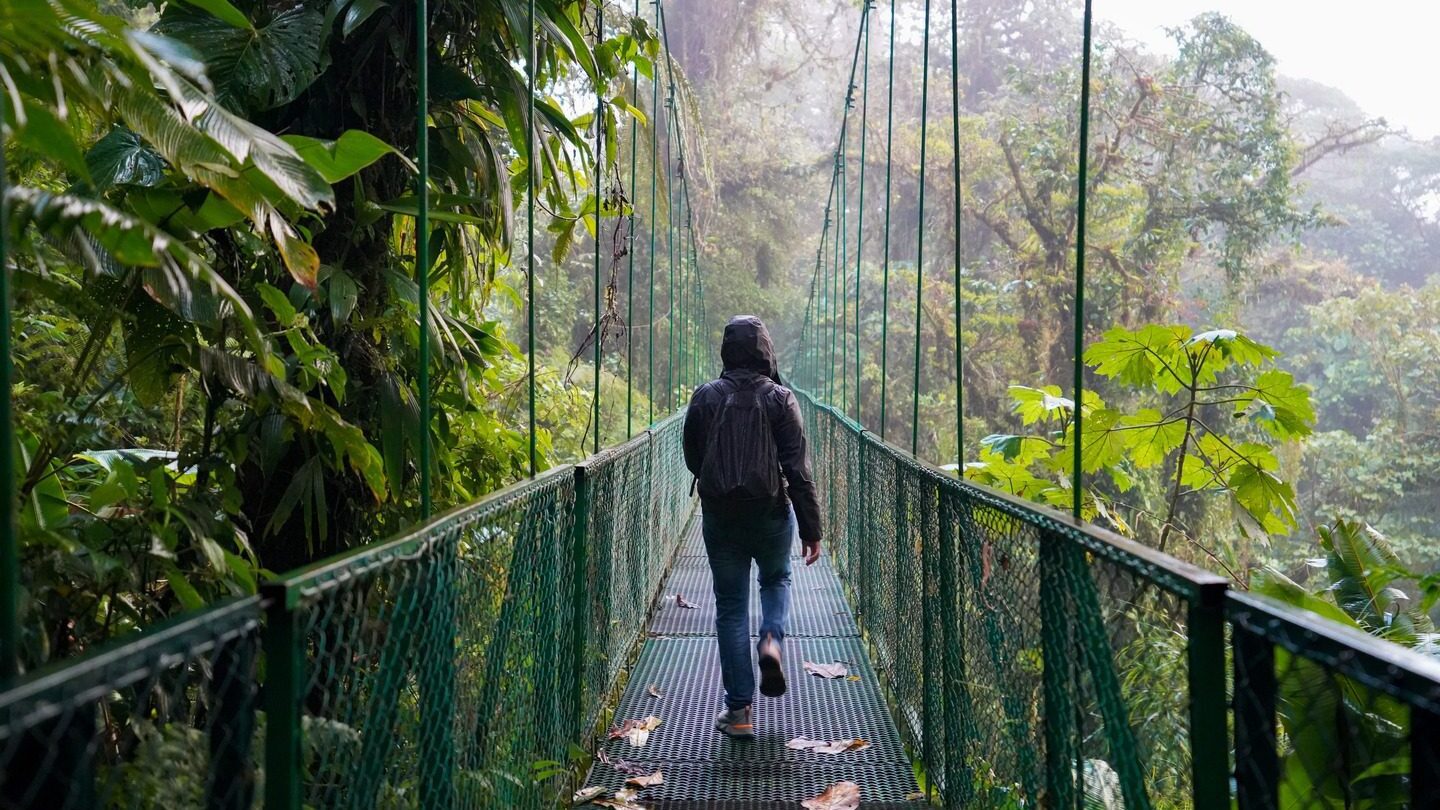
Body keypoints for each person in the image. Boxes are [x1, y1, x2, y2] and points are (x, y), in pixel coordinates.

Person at [683, 315, 823, 739]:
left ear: (727, 350)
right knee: (777, 578)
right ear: (766, 350)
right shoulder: (782, 399)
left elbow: (693, 456)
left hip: (721, 515)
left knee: (729, 607)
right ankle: (771, 641)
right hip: (770, 513)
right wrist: (811, 529)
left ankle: (739, 712)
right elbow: (797, 470)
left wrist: (717, 480)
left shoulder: (705, 397)